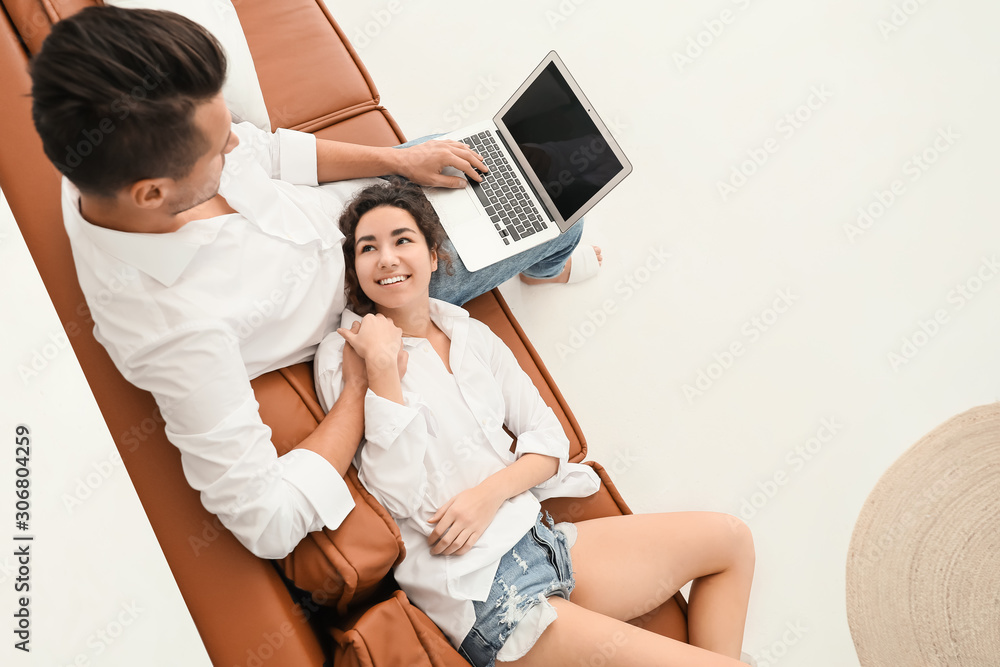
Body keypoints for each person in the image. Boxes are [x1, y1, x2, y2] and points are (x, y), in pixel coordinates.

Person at [28, 6, 602, 559]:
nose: (235, 143)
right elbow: (266, 521)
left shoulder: (111, 155)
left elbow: (272, 153)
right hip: (377, 285)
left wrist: (399, 162)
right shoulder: (175, 333)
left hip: (360, 200)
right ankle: (548, 266)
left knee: (519, 155)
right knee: (560, 214)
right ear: (153, 193)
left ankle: (518, 235)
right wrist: (359, 387)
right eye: (217, 146)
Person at [313, 178, 755, 667]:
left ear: (434, 255)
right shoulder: (346, 353)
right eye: (367, 248)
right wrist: (381, 369)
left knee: (731, 541)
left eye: (402, 240)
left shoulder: (468, 332)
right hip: (481, 592)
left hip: (542, 541)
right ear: (355, 268)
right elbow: (394, 491)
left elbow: (549, 441)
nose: (387, 258)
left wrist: (491, 493)